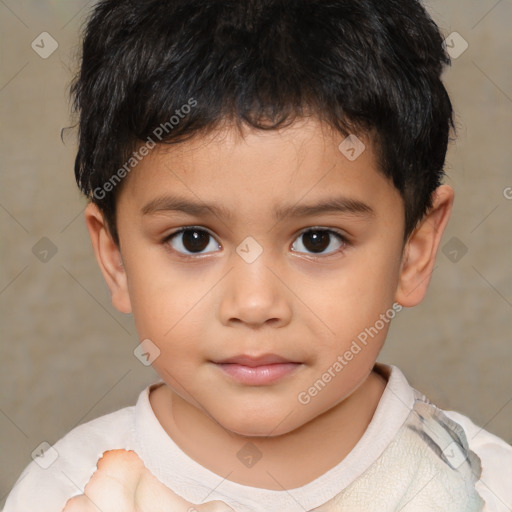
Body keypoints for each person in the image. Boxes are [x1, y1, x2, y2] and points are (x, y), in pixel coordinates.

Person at [4, 0, 511, 510]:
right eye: (193, 240)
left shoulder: (482, 487)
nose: (253, 304)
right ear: (115, 258)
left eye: (317, 239)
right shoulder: (61, 490)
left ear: (413, 253)